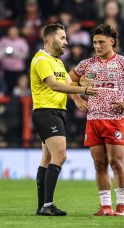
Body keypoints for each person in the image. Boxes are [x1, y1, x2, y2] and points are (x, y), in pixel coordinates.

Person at [69, 23, 124, 216]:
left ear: (112, 42)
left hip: (115, 119)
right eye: (94, 42)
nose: (97, 46)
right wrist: (76, 98)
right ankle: (106, 206)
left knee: (116, 162)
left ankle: (121, 207)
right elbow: (67, 81)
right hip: (92, 120)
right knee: (99, 164)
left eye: (101, 42)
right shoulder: (86, 64)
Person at [30, 23, 97, 216]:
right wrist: (82, 90)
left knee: (47, 158)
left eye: (66, 38)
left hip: (57, 111)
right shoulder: (41, 59)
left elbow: (68, 83)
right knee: (60, 156)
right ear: (50, 40)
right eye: (62, 38)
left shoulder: (57, 62)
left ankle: (42, 205)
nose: (66, 42)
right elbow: (54, 85)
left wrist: (81, 88)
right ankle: (48, 204)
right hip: (46, 111)